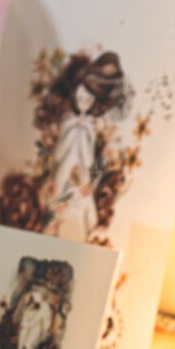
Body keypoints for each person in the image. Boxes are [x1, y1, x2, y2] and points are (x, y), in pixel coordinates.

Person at [48, 52, 125, 241]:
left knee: (85, 208)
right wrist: (73, 133)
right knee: (58, 202)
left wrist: (90, 138)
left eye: (88, 100)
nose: (84, 103)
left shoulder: (90, 126)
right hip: (65, 169)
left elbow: (88, 161)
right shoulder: (68, 121)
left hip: (82, 174)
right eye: (80, 98)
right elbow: (59, 155)